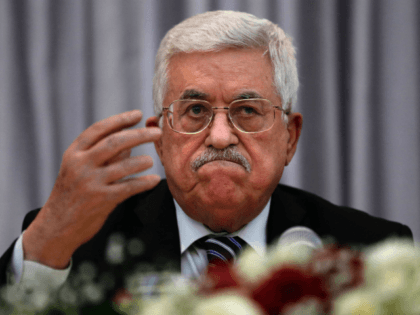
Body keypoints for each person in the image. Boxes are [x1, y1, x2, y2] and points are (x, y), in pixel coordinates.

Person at [0, 10, 413, 305]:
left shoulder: (369, 251)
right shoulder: (75, 244)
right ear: (160, 139)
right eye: (195, 111)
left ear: (290, 137)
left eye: (248, 111)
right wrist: (44, 244)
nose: (218, 137)